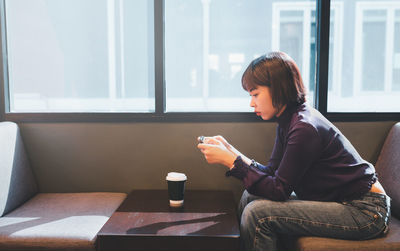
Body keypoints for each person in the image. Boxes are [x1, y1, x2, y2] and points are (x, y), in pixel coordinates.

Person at [197, 51, 391, 251]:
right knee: (250, 196)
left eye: (255, 94)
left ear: (278, 89)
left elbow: (278, 190)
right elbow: (272, 172)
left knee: (258, 213)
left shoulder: (303, 127)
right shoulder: (289, 120)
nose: (251, 103)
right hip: (342, 201)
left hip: (365, 211)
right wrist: (232, 153)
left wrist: (231, 162)